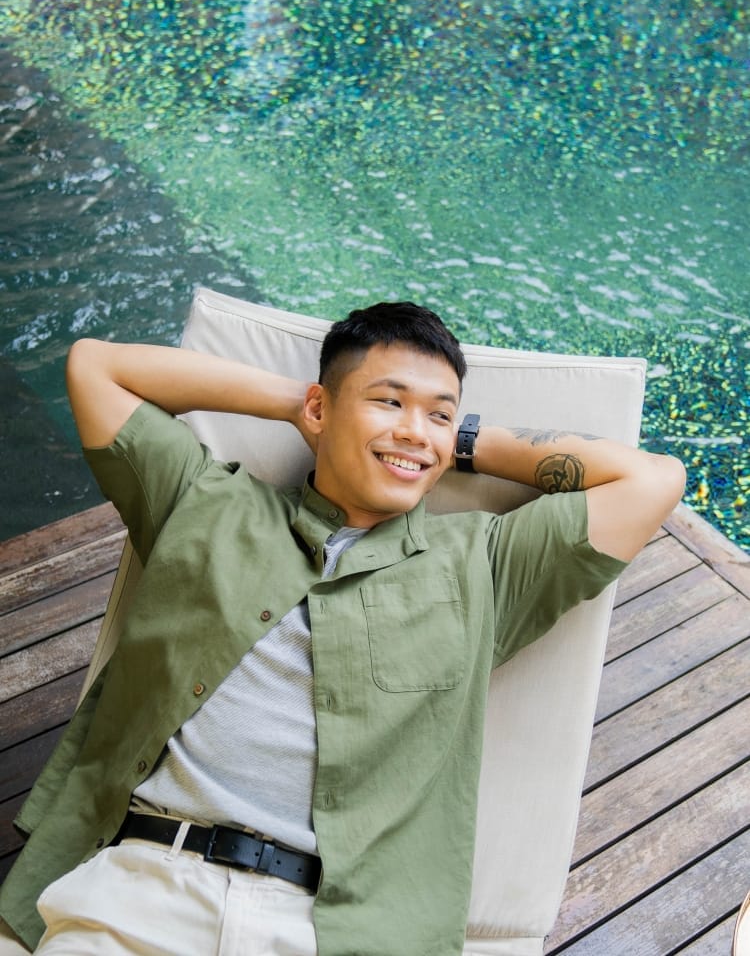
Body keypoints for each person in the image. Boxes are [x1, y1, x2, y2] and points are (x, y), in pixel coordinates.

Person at [0, 302, 685, 955]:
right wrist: (301, 406)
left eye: (439, 412)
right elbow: (95, 367)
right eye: (389, 401)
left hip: (337, 929)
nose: (415, 430)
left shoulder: (486, 565)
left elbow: (652, 480)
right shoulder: (205, 502)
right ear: (321, 408)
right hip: (145, 889)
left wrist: (455, 439)